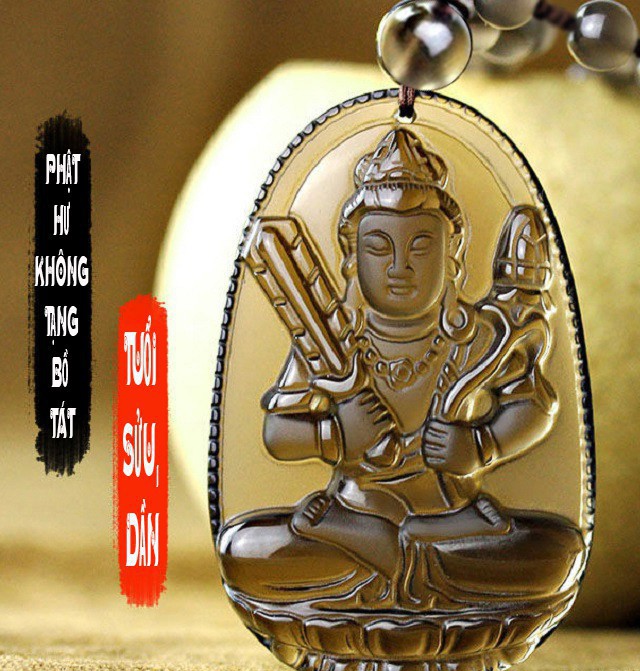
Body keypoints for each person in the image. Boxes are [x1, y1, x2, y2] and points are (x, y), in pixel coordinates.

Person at [218, 128, 585, 613]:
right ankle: (405, 569)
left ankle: (394, 565)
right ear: (351, 259)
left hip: (453, 520)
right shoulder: (329, 340)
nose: (399, 267)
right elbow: (277, 433)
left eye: (420, 247)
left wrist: (481, 445)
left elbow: (534, 406)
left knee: (560, 553)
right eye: (378, 247)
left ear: (452, 255)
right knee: (244, 549)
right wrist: (336, 436)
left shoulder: (479, 337)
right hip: (351, 514)